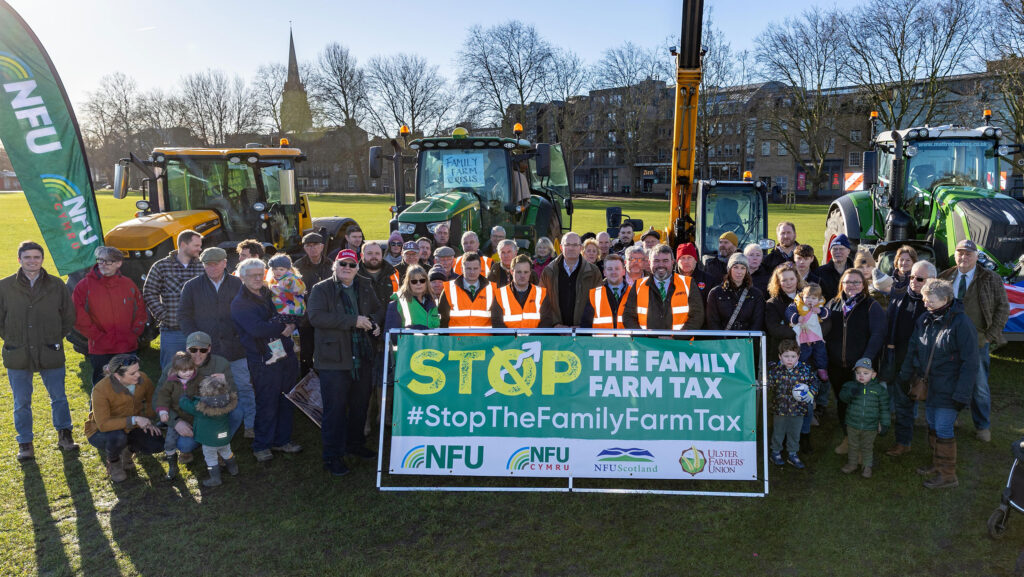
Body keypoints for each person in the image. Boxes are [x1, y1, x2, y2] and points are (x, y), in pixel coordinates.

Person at [897, 278, 980, 489]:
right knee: (932, 424)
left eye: (929, 299)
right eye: (924, 298)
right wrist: (905, 375)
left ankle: (948, 475)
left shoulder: (962, 323)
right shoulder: (925, 318)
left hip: (950, 387)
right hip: (930, 385)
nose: (925, 302)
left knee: (943, 427)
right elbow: (914, 346)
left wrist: (962, 394)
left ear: (945, 299)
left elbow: (970, 362)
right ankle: (937, 465)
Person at [307, 249, 383, 477]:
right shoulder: (321, 289)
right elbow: (316, 317)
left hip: (362, 356)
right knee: (335, 410)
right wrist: (353, 321)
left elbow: (379, 309)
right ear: (335, 266)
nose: (347, 268)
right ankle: (332, 457)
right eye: (343, 264)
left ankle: (355, 444)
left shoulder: (365, 285)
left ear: (357, 267)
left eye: (351, 264)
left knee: (360, 406)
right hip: (333, 360)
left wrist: (374, 322)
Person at [1, 241, 78, 461]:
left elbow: (69, 316)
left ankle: (65, 436)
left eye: (36, 257)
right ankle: (25, 443)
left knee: (59, 397)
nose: (32, 261)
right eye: (27, 257)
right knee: (21, 401)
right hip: (18, 352)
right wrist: (14, 338)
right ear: (19, 259)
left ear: (42, 259)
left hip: (50, 350)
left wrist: (53, 337)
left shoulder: (56, 285)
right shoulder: (4, 287)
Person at [179, 247, 255, 438]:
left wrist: (243, 337)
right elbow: (185, 316)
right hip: (206, 352)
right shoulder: (192, 286)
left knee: (243, 386)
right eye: (207, 265)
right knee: (208, 390)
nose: (211, 268)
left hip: (236, 349)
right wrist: (195, 341)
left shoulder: (239, 284)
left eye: (215, 264)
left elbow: (250, 313)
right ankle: (214, 429)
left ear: (224, 263)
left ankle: (250, 425)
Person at [938, 239, 1009, 443]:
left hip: (977, 341)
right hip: (950, 341)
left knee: (979, 386)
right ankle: (953, 419)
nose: (964, 257)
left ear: (977, 257)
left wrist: (989, 336)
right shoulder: (946, 276)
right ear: (955, 255)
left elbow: (1003, 309)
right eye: (960, 253)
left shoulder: (991, 278)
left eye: (969, 254)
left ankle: (982, 426)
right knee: (950, 382)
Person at [231, 258, 301, 462]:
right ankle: (261, 444)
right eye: (251, 275)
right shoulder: (240, 303)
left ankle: (282, 440)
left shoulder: (273, 292)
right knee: (267, 401)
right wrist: (283, 328)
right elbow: (256, 329)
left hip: (285, 355)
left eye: (259, 274)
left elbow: (293, 311)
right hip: (263, 359)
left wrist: (291, 323)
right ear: (242, 277)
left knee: (287, 399)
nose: (256, 278)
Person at [154, 331, 243, 474]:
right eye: (193, 350)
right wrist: (175, 422)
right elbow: (158, 398)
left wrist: (225, 384)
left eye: (203, 350)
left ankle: (220, 445)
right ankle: (193, 448)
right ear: (186, 349)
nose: (198, 354)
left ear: (209, 349)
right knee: (185, 445)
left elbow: (234, 395)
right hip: (186, 416)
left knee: (237, 412)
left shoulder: (221, 363)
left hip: (212, 416)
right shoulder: (173, 367)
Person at [824, 269, 885, 455]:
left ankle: (862, 448)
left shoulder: (871, 306)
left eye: (856, 282)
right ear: (841, 283)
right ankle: (848, 439)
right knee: (842, 403)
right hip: (836, 366)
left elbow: (877, 335)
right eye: (848, 282)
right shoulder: (832, 304)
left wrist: (866, 360)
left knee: (860, 407)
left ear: (864, 285)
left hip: (860, 368)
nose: (852, 286)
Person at [883, 260, 936, 457]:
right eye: (911, 276)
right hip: (897, 360)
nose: (913, 281)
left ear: (931, 280)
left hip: (922, 366)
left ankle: (938, 447)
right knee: (903, 405)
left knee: (931, 409)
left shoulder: (934, 305)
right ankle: (903, 442)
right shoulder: (900, 296)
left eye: (919, 278)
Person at [73, 245, 146, 385]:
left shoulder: (128, 284)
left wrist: (134, 333)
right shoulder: (84, 286)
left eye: (108, 261)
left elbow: (140, 311)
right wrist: (98, 337)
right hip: (100, 349)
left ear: (119, 263)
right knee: (102, 387)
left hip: (127, 347)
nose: (103, 264)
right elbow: (78, 316)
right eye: (100, 260)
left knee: (129, 386)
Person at [84, 354, 163, 482]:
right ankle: (114, 462)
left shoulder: (143, 378)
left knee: (157, 443)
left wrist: (149, 420)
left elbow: (151, 399)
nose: (138, 375)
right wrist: (134, 420)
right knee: (118, 437)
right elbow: (103, 424)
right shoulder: (100, 389)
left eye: (138, 370)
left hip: (133, 425)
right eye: (132, 373)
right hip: (102, 431)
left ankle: (128, 452)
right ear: (117, 376)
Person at [143, 229, 205, 369]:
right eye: (196, 246)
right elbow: (149, 292)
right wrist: (163, 315)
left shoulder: (202, 266)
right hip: (172, 331)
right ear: (183, 245)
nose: (200, 249)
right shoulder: (161, 266)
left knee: (198, 370)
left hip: (198, 331)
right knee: (170, 371)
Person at [622, 244, 705, 331]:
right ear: (650, 262)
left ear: (672, 262)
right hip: (646, 343)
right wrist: (644, 337)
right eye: (656, 261)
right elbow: (628, 317)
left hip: (680, 343)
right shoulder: (638, 285)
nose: (661, 265)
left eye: (665, 261)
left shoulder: (688, 283)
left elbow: (697, 316)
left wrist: (676, 338)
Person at [178, 375, 240, 487]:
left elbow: (185, 405)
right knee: (227, 452)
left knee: (211, 458)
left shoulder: (201, 408)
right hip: (224, 437)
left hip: (209, 440)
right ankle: (233, 469)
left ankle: (215, 478)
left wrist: (183, 397)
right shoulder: (228, 402)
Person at [767, 339, 816, 469]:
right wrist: (762, 384)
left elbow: (814, 383)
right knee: (779, 431)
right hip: (780, 409)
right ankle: (775, 452)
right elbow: (768, 385)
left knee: (795, 432)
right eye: (786, 356)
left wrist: (810, 394)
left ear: (798, 356)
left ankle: (792, 453)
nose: (790, 359)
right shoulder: (775, 371)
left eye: (793, 356)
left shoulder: (805, 370)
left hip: (798, 409)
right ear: (780, 357)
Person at [838, 358, 890, 479]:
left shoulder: (879, 391)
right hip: (852, 424)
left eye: (865, 373)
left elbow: (884, 409)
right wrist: (851, 392)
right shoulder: (850, 386)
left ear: (873, 375)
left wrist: (884, 424)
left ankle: (867, 466)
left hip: (870, 426)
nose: (861, 376)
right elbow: (843, 398)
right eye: (858, 373)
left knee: (867, 446)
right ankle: (852, 464)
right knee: (853, 445)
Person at [540, 232, 602, 328]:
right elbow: (542, 301)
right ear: (561, 247)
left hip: (584, 333)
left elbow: (598, 302)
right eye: (567, 244)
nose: (571, 248)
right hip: (555, 333)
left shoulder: (593, 272)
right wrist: (555, 324)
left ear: (581, 248)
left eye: (575, 245)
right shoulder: (549, 271)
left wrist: (583, 326)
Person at [294, 232, 333, 375]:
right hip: (306, 319)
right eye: (308, 246)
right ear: (304, 248)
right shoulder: (297, 267)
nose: (312, 249)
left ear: (322, 246)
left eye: (315, 245)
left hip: (327, 317)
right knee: (306, 355)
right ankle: (306, 387)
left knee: (326, 353)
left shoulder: (331, 265)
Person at [156, 351, 197, 479]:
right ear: (175, 370)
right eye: (184, 371)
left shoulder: (198, 379)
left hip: (195, 417)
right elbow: (163, 396)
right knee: (169, 441)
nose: (188, 373)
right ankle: (173, 466)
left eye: (190, 369)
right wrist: (163, 411)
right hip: (177, 417)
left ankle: (214, 457)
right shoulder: (170, 382)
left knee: (204, 436)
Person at [705, 253, 764, 331]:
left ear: (747, 271)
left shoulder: (756, 294)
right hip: (722, 341)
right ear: (729, 269)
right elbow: (712, 322)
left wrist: (747, 341)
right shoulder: (715, 293)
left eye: (743, 268)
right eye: (735, 267)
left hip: (747, 341)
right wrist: (723, 341)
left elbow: (757, 323)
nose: (739, 272)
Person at [786, 283, 831, 384]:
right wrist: (797, 318)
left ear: (819, 298)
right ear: (802, 296)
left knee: (821, 353)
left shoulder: (820, 306)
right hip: (804, 334)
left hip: (816, 335)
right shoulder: (796, 304)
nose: (810, 300)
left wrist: (820, 311)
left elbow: (827, 314)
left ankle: (822, 368)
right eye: (807, 297)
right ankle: (802, 371)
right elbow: (788, 312)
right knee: (804, 353)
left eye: (814, 298)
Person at [265, 254, 306, 365]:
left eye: (281, 269)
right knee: (288, 329)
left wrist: (275, 288)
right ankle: (295, 345)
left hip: (290, 311)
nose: (277, 272)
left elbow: (300, 287)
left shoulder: (290, 279)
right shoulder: (278, 280)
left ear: (288, 269)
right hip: (289, 312)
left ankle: (278, 353)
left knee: (271, 326)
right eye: (274, 269)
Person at [439, 252, 495, 330]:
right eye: (468, 268)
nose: (472, 272)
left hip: (484, 341)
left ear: (480, 269)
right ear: (462, 269)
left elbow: (496, 319)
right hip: (457, 340)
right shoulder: (449, 289)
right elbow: (443, 320)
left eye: (475, 268)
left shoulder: (492, 289)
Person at [492, 255, 548, 329]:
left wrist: (531, 340)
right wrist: (513, 340)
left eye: (526, 272)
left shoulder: (542, 293)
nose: (522, 275)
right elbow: (496, 323)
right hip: (509, 340)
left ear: (530, 272)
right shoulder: (500, 294)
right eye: (519, 272)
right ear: (511, 272)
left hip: (535, 340)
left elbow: (546, 321)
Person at [384, 265, 440, 333]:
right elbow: (391, 335)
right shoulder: (397, 303)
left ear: (426, 282)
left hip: (432, 343)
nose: (418, 284)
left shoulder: (433, 301)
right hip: (409, 343)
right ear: (408, 283)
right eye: (414, 281)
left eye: (422, 280)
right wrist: (415, 330)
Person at [581, 254, 629, 329]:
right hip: (601, 340)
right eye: (610, 269)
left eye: (617, 268)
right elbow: (586, 325)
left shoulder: (634, 293)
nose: (613, 272)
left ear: (623, 271)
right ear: (604, 272)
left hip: (628, 340)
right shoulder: (594, 295)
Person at [817, 234, 853, 302]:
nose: (838, 252)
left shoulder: (856, 272)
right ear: (830, 251)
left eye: (841, 249)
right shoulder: (819, 273)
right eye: (835, 249)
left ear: (848, 251)